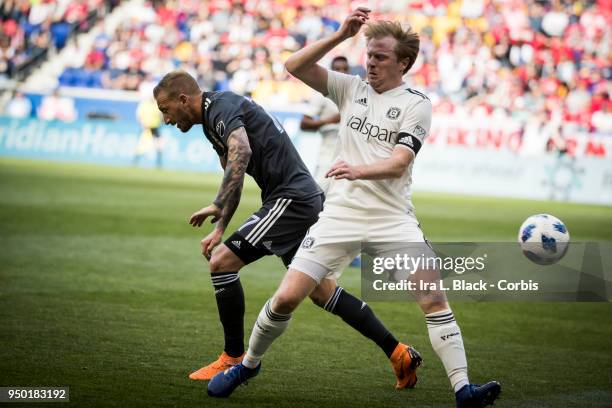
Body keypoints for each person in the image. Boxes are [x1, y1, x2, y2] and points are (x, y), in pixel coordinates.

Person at [208, 9, 501, 408]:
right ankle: (249, 365)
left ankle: (463, 389)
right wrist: (340, 34)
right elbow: (294, 65)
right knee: (286, 299)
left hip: (392, 218)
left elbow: (400, 162)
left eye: (380, 57)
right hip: (339, 215)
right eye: (369, 54)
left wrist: (356, 169)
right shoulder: (352, 89)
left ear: (404, 63)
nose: (371, 62)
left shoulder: (417, 104)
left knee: (433, 298)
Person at [153, 70, 421, 387]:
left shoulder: (220, 108)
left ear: (183, 99)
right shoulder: (214, 120)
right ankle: (399, 353)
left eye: (165, 110)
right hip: (300, 200)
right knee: (323, 293)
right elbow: (234, 174)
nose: (166, 120)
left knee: (222, 263)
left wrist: (216, 204)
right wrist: (220, 225)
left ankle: (233, 358)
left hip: (291, 200)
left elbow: (242, 152)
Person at [300, 55, 348, 191]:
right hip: (328, 156)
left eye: (345, 69)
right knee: (319, 197)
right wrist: (330, 121)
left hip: (350, 157)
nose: (342, 72)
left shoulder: (353, 94)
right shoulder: (321, 94)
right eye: (338, 69)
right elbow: (304, 123)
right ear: (331, 71)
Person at [133, 97, 163, 168]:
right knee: (141, 146)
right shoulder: (144, 105)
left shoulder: (157, 105)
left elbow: (161, 116)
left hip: (155, 128)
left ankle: (159, 164)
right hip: (146, 128)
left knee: (159, 146)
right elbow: (139, 115)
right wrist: (141, 123)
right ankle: (135, 162)